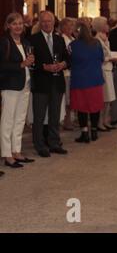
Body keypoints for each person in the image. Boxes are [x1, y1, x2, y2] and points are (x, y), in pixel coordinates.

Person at [29, 11, 70, 158]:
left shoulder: (59, 39)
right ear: (40, 23)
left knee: (55, 115)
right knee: (39, 117)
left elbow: (67, 58)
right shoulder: (33, 39)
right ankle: (40, 145)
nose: (46, 24)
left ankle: (54, 143)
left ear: (54, 23)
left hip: (57, 82)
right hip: (41, 83)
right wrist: (44, 67)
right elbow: (31, 62)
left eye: (49, 21)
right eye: (43, 21)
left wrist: (63, 64)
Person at [0, 13, 35, 168]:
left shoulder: (26, 42)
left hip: (25, 85)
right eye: (14, 24)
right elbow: (2, 65)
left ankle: (16, 151)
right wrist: (21, 65)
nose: (18, 26)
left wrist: (31, 63)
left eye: (20, 23)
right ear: (8, 26)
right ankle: (7, 154)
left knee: (20, 120)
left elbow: (28, 63)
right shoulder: (4, 42)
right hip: (10, 86)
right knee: (8, 121)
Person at [70, 21, 105, 143]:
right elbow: (102, 58)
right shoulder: (96, 43)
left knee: (82, 108)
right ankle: (94, 131)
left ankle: (84, 132)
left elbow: (70, 61)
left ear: (77, 32)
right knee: (95, 107)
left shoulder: (73, 45)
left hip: (79, 80)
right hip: (95, 79)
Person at [92, 17, 117, 132]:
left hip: (108, 69)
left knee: (109, 98)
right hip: (102, 70)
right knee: (104, 98)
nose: (108, 25)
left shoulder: (104, 38)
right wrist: (111, 58)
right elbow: (99, 57)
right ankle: (99, 122)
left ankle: (105, 120)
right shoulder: (97, 39)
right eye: (106, 24)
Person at [59, 18, 76, 131]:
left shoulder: (73, 38)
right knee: (67, 98)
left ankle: (70, 119)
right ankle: (66, 120)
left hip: (74, 71)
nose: (70, 28)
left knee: (71, 97)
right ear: (62, 27)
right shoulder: (61, 39)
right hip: (65, 72)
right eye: (68, 26)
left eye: (71, 26)